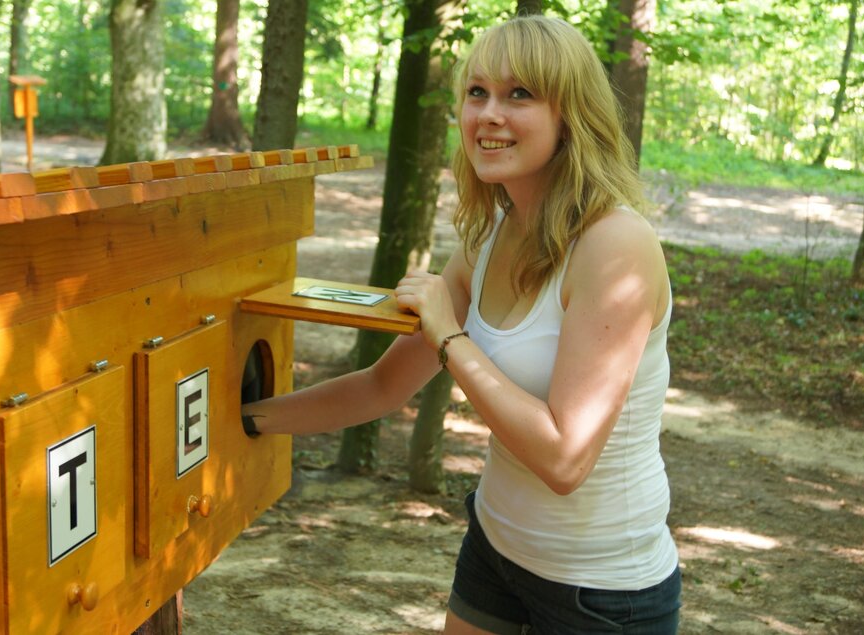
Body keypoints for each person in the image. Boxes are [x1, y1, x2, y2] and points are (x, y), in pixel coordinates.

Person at [242, 14, 681, 634]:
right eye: (477, 92)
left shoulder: (616, 247)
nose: (488, 114)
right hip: (497, 549)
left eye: (519, 94)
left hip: (601, 591)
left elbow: (564, 460)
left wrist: (450, 337)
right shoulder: (491, 235)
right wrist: (247, 421)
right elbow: (381, 387)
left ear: (571, 116)